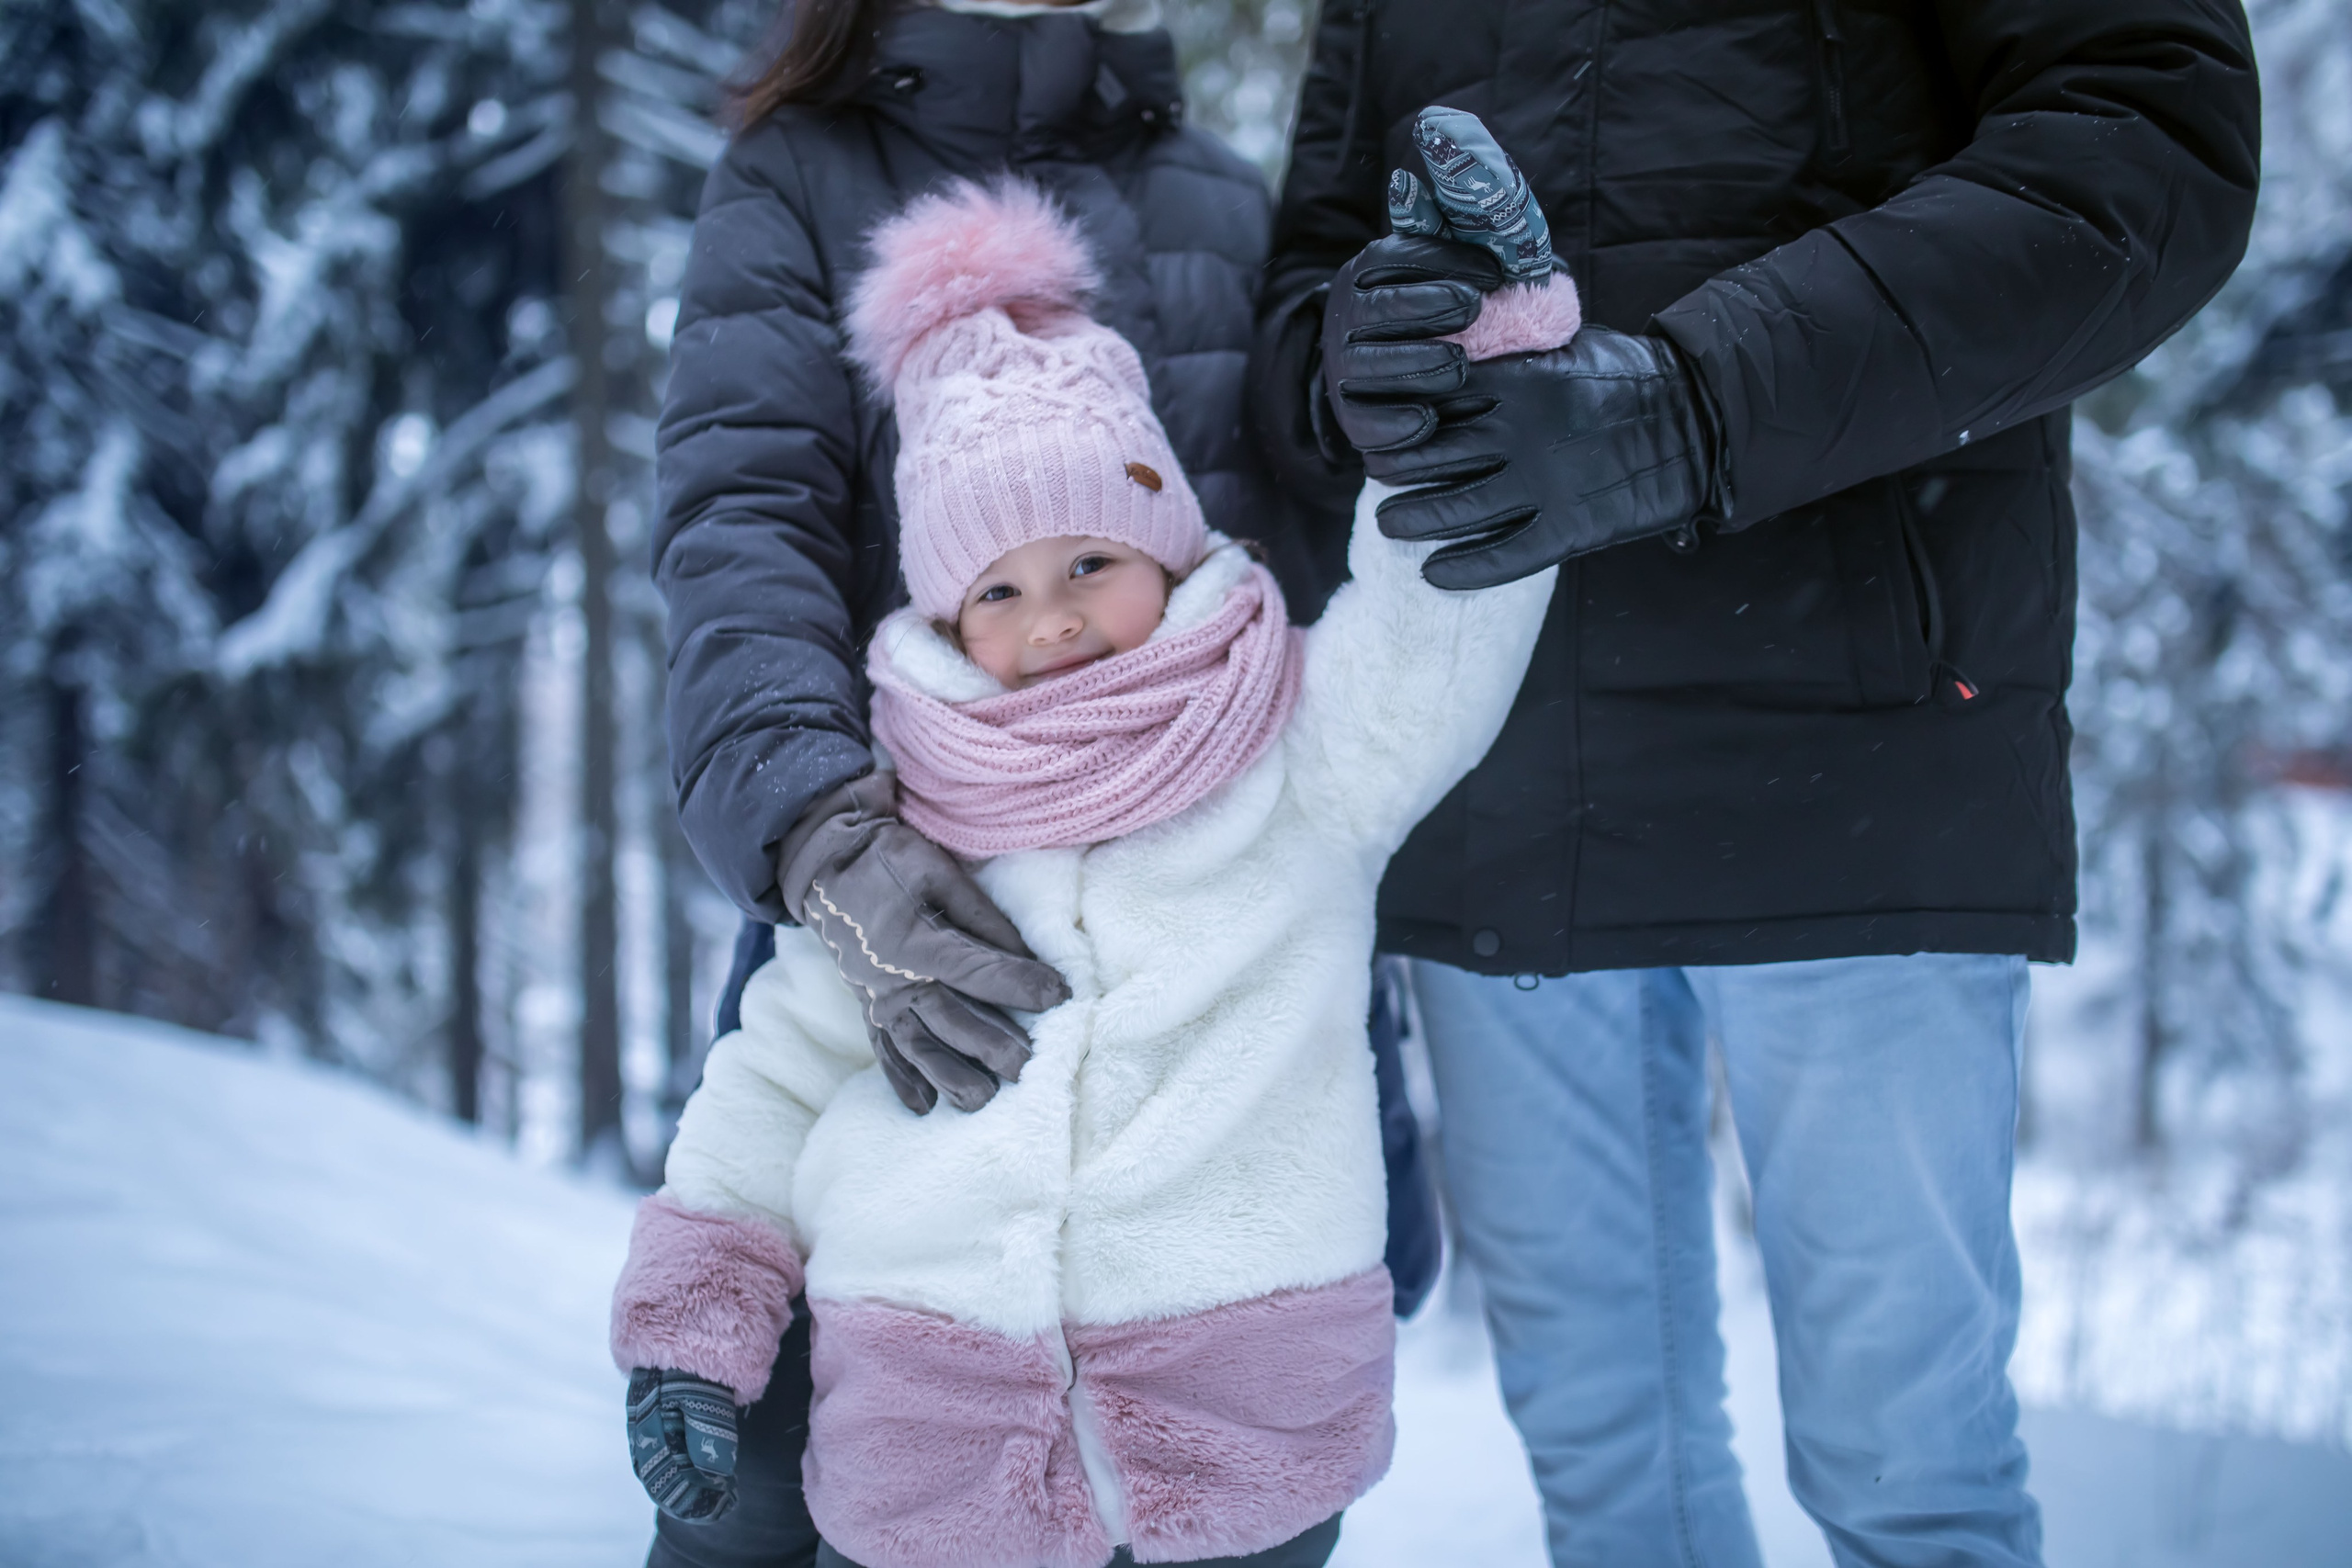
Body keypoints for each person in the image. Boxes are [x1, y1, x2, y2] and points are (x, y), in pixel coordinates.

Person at [1249, 5, 2262, 1567]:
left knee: (1907, 1478)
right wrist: (1345, 359)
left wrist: (1694, 403)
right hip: (1489, 758)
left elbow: (2140, 142)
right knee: (1606, 1473)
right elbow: (1315, 255)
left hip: (1856, 731)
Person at [615, 177, 1580, 1567]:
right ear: (944, 616)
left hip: (1243, 1428)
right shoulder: (911, 819)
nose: (1053, 619)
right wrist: (691, 1342)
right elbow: (768, 1090)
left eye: (1089, 559)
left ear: (1169, 542)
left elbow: (1447, 606)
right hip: (930, 1437)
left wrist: (1490, 354)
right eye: (997, 592)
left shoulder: (1300, 751)